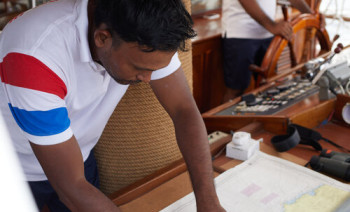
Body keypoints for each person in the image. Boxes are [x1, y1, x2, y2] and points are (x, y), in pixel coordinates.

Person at [0, 0, 225, 211]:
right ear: (102, 38)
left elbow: (183, 110)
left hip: (77, 158)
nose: (147, 79)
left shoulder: (148, 42)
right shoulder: (33, 56)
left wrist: (208, 201)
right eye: (139, 68)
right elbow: (71, 188)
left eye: (154, 70)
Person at [221, 0, 312, 102]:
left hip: (267, 33)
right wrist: (272, 26)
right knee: (236, 90)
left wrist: (312, 15)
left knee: (269, 86)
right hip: (240, 34)